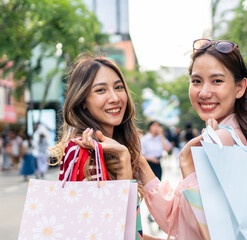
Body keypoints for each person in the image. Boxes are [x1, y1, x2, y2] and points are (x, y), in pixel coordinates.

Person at [137, 39, 247, 239]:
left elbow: (188, 229)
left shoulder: (220, 141)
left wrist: (186, 160)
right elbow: (179, 220)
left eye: (217, 81)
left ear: (240, 87)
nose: (204, 92)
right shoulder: (239, 135)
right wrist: (138, 159)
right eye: (196, 81)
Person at [49, 53, 164, 240]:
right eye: (101, 90)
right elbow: (115, 232)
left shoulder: (117, 147)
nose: (115, 98)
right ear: (83, 102)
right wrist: (125, 163)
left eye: (118, 87)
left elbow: (131, 232)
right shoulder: (83, 154)